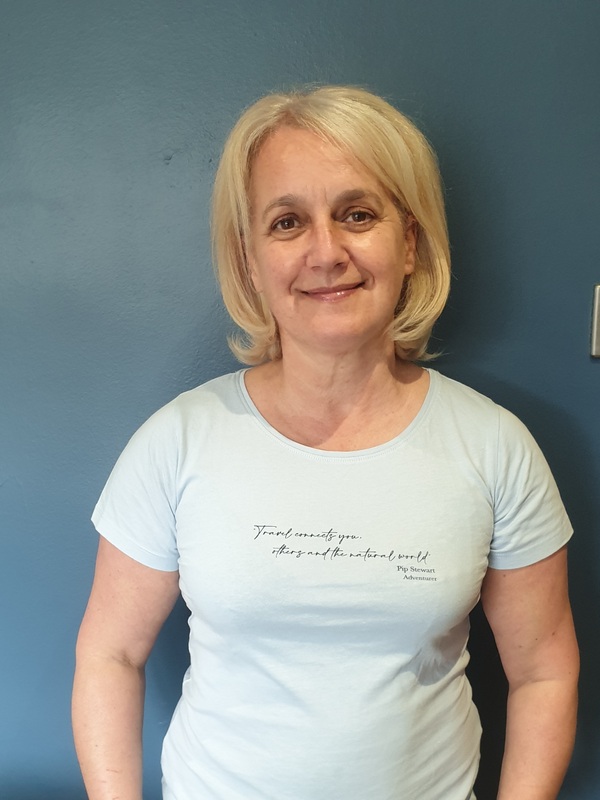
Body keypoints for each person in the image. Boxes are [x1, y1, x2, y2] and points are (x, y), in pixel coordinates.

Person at [72, 86, 579, 800]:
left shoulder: (495, 447)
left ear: (409, 243)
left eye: (357, 214)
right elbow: (110, 654)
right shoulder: (177, 442)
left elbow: (544, 672)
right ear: (250, 260)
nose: (325, 252)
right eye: (287, 222)